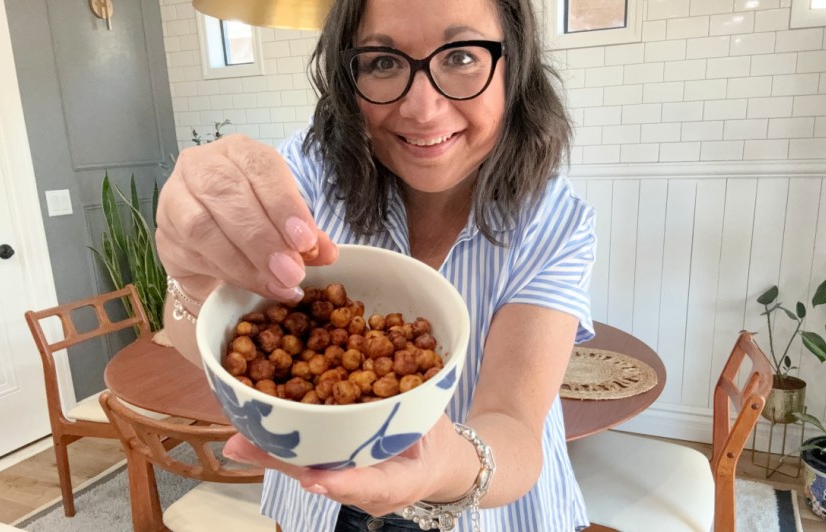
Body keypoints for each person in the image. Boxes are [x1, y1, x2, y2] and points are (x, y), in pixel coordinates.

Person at [155, 0, 597, 530]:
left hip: (488, 512)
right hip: (320, 508)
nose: (423, 109)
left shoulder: (556, 219)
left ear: (514, 66)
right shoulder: (309, 173)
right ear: (350, 75)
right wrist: (192, 277)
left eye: (460, 57)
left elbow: (515, 427)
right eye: (383, 63)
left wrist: (439, 465)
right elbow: (203, 339)